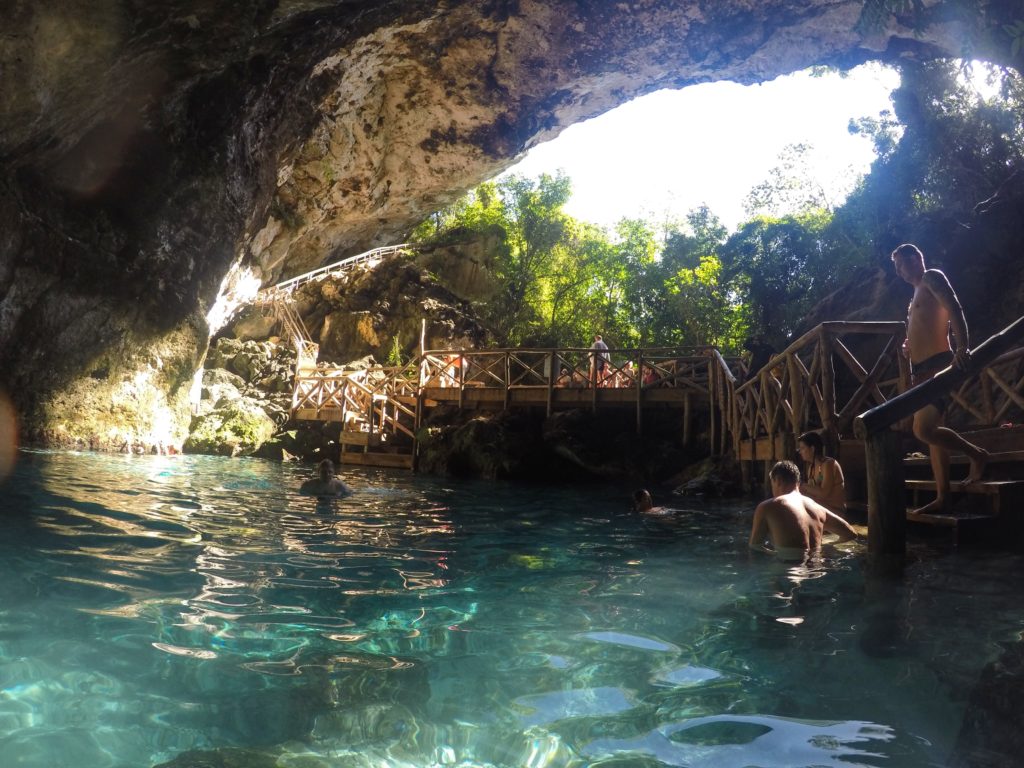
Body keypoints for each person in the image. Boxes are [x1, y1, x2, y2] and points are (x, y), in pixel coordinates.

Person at [891, 243, 988, 514]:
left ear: (916, 258)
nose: (898, 271)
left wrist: (962, 347)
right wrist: (908, 346)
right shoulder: (914, 295)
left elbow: (954, 309)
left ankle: (977, 454)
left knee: (922, 430)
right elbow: (924, 325)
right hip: (921, 369)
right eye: (895, 267)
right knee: (931, 434)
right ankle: (943, 495)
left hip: (939, 365)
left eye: (900, 263)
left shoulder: (932, 276)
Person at [749, 461, 858, 561]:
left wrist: (777, 554)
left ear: (777, 481)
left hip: (787, 573)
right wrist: (826, 545)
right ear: (797, 482)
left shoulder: (767, 506)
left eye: (772, 484)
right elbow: (851, 533)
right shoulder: (817, 508)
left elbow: (754, 547)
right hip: (816, 571)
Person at [796, 430, 846, 513]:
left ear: (812, 449)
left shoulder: (828, 464)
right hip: (822, 508)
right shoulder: (811, 468)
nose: (800, 452)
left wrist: (801, 485)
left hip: (835, 511)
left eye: (802, 448)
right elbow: (811, 493)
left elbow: (823, 493)